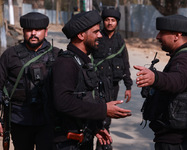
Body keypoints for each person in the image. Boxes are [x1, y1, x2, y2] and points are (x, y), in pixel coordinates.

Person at [52, 10, 132, 150]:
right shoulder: (66, 63)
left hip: (83, 139)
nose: (100, 35)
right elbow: (63, 102)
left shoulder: (83, 62)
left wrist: (95, 128)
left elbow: (84, 99)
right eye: (95, 32)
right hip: (67, 143)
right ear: (81, 35)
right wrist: (103, 110)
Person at [134, 14, 187, 150]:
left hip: (177, 142)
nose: (158, 36)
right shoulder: (185, 55)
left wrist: (155, 78)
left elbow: (178, 80)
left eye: (162, 32)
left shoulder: (186, 59)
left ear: (177, 35)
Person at [0, 12, 60, 150]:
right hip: (18, 120)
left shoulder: (56, 55)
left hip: (48, 121)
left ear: (45, 32)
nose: (33, 33)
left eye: (38, 30)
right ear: (23, 31)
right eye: (28, 30)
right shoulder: (10, 55)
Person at [91, 8, 133, 150]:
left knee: (108, 116)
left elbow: (125, 62)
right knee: (97, 113)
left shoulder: (119, 40)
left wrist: (128, 86)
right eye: (107, 20)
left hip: (113, 84)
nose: (109, 23)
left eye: (113, 20)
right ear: (103, 21)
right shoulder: (97, 37)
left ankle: (103, 144)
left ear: (117, 22)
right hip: (97, 83)